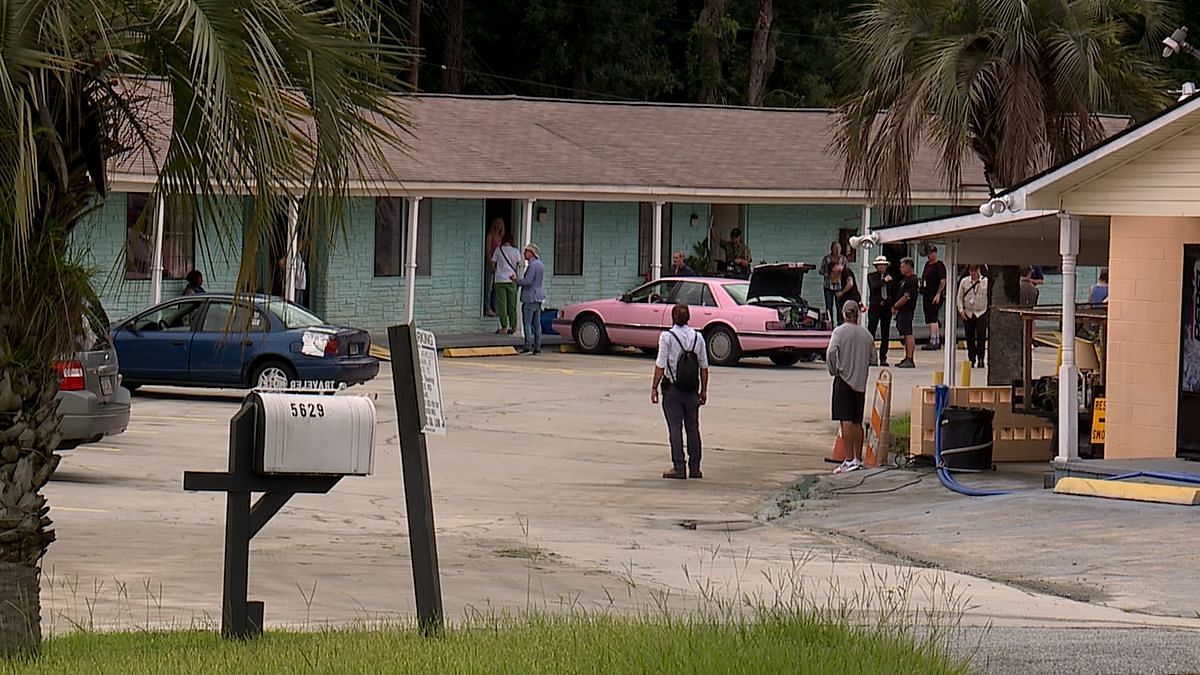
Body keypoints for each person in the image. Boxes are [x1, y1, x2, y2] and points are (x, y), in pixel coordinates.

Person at [651, 303, 709, 479]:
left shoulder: (666, 337)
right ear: (689, 317)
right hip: (692, 390)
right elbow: (704, 367)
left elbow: (661, 365)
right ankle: (695, 468)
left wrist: (654, 387)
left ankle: (679, 467)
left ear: (672, 317)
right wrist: (704, 390)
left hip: (672, 390)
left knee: (675, 428)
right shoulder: (698, 337)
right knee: (693, 428)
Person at [827, 302, 876, 474]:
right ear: (857, 314)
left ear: (843, 313)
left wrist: (834, 369)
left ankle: (848, 460)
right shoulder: (867, 335)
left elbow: (831, 352)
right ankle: (857, 458)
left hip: (844, 380)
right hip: (860, 383)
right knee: (857, 421)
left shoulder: (839, 332)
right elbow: (873, 358)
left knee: (845, 420)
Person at [513, 243, 546, 354]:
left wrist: (516, 280)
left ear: (531, 253)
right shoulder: (540, 264)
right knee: (537, 323)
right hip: (539, 296)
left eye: (526, 251)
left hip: (530, 297)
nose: (524, 254)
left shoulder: (532, 266)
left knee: (527, 322)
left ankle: (528, 345)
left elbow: (528, 281)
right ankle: (537, 346)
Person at [957, 265, 989, 368]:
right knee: (969, 337)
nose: (973, 273)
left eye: (975, 271)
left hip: (981, 312)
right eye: (971, 271)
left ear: (979, 270)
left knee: (981, 336)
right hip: (968, 312)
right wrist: (961, 311)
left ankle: (981, 358)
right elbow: (959, 297)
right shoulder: (964, 281)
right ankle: (971, 358)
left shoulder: (985, 281)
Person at [866, 255, 895, 366]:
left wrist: (893, 306)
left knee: (885, 333)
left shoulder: (891, 277)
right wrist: (883, 280)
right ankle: (870, 356)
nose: (882, 267)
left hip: (886, 307)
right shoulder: (872, 276)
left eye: (884, 265)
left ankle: (883, 357)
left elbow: (893, 292)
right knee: (871, 331)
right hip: (875, 306)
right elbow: (873, 287)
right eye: (880, 265)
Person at [491, 232, 521, 335]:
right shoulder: (516, 251)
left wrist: (496, 270)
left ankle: (504, 326)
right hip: (512, 279)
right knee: (512, 304)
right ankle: (514, 326)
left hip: (499, 279)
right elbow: (519, 264)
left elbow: (493, 263)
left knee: (502, 304)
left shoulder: (498, 250)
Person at [891, 257, 919, 368]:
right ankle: (906, 356)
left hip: (907, 310)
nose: (900, 269)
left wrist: (895, 306)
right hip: (902, 311)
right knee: (905, 333)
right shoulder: (905, 280)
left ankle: (910, 358)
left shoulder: (912, 280)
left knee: (908, 334)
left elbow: (906, 297)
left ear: (908, 267)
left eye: (903, 266)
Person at [920, 245, 947, 350]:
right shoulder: (927, 264)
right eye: (929, 253)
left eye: (931, 253)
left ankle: (935, 340)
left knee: (933, 317)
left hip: (934, 294)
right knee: (930, 317)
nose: (930, 255)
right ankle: (934, 338)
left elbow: (943, 280)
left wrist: (939, 293)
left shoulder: (939, 265)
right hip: (927, 293)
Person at [820, 242, 849, 324]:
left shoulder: (843, 259)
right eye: (835, 248)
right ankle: (830, 325)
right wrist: (829, 273)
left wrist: (840, 271)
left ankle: (840, 325)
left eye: (838, 248)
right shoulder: (826, 259)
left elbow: (847, 272)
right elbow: (821, 270)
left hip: (839, 287)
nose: (837, 250)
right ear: (831, 249)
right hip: (828, 286)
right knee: (829, 307)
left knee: (840, 307)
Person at [484, 218, 504, 317]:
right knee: (489, 286)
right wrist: (490, 262)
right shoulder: (490, 235)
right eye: (496, 223)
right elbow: (488, 251)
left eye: (500, 224)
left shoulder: (500, 237)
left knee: (496, 287)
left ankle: (495, 307)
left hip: (499, 265)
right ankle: (487, 307)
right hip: (491, 264)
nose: (498, 226)